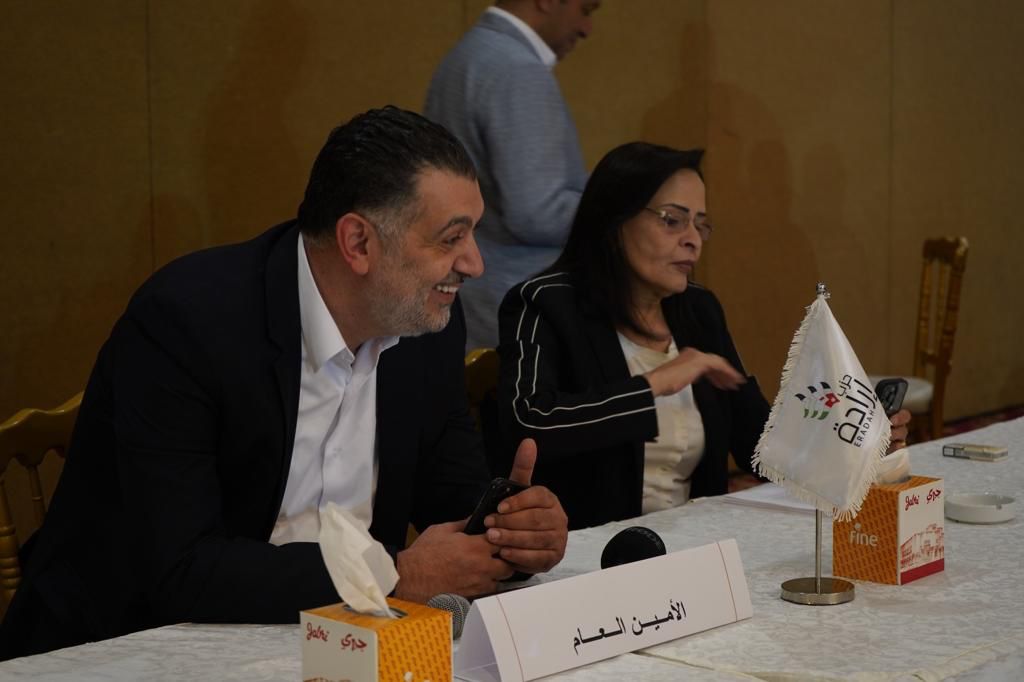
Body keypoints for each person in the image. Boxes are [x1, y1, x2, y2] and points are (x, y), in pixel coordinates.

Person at [0, 107, 568, 659]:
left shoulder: (427, 326)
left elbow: (453, 496)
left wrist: (511, 531)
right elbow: (180, 567)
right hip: (130, 644)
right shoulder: (187, 323)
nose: (474, 264)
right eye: (451, 238)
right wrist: (391, 573)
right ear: (358, 243)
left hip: (333, 643)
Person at [496, 142, 912, 530]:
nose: (693, 240)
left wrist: (855, 443)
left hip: (694, 544)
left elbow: (759, 445)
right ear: (614, 220)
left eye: (700, 225)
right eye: (672, 221)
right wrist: (654, 384)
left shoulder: (698, 310)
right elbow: (527, 424)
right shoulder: (544, 304)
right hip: (586, 550)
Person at [424, 0, 599, 350]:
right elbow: (536, 213)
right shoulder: (518, 70)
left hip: (471, 296)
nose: (586, 28)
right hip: (518, 308)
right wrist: (620, 204)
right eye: (586, 9)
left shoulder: (466, 55)